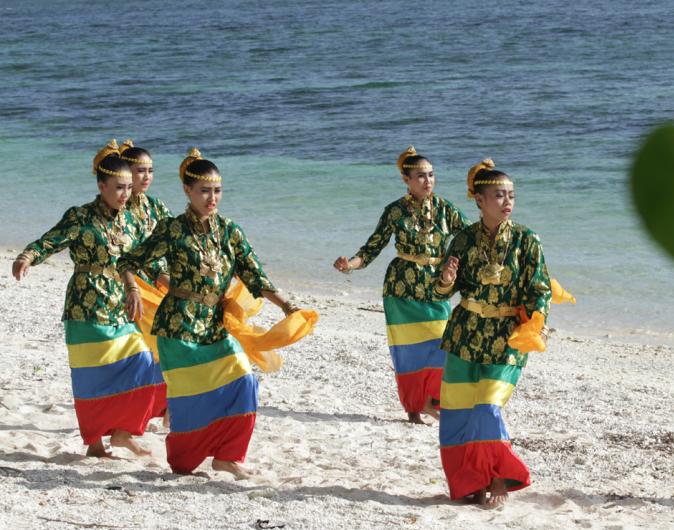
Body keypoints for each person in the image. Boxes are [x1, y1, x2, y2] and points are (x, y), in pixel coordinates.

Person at [118, 148, 300, 479]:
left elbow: (255, 275)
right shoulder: (173, 230)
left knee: (245, 381)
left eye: (217, 190)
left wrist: (286, 306)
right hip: (178, 325)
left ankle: (228, 456)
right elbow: (128, 261)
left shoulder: (230, 231)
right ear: (188, 191)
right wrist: (133, 289)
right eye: (204, 190)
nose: (212, 197)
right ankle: (185, 459)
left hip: (215, 325)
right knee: (189, 398)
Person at [11, 140, 161, 458]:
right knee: (92, 379)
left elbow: (141, 260)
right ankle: (94, 444)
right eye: (118, 187)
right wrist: (27, 256)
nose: (125, 194)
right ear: (101, 185)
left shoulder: (130, 221)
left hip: (119, 307)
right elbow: (50, 241)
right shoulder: (81, 217)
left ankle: (122, 432)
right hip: (85, 306)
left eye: (127, 187)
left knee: (146, 365)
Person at [433, 158, 551, 507]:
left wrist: (536, 321)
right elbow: (442, 292)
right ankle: (470, 482)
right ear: (480, 200)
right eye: (499, 195)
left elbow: (540, 288)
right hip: (465, 334)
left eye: (511, 195)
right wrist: (445, 281)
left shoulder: (527, 240)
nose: (508, 201)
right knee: (458, 414)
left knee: (487, 407)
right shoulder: (463, 240)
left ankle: (498, 475)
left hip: (508, 338)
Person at [333, 146, 470, 424]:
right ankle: (413, 408)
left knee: (445, 342)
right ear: (406, 180)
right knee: (408, 352)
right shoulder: (395, 211)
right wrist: (350, 264)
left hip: (435, 287)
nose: (427, 181)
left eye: (431, 175)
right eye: (420, 176)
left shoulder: (446, 209)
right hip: (401, 289)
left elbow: (470, 237)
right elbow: (372, 248)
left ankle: (432, 400)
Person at [119, 139, 173, 426]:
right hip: (135, 285)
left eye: (150, 170)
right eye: (140, 170)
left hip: (162, 284)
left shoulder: (156, 206)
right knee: (143, 352)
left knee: (169, 344)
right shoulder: (119, 209)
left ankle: (167, 406)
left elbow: (175, 239)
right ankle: (138, 412)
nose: (146, 176)